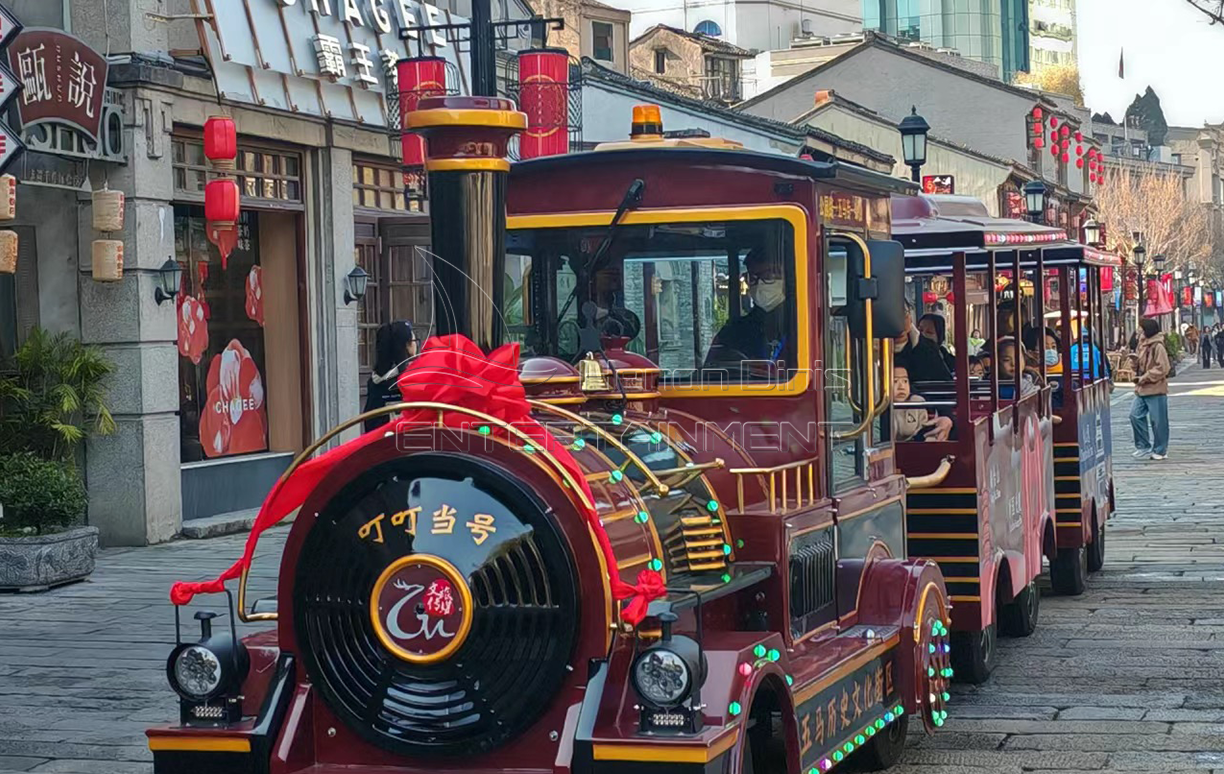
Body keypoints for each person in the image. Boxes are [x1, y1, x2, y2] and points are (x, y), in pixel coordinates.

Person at [705, 249, 788, 368]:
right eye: (753, 278)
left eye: (769, 276)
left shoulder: (807, 326)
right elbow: (710, 373)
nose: (760, 284)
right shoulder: (733, 332)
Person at [363, 320, 418, 432]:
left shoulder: (375, 381)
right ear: (406, 346)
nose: (416, 344)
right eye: (413, 341)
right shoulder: (411, 379)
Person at [1131, 317, 1170, 460]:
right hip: (1141, 389)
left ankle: (1160, 450)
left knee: (1158, 421)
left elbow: (1163, 367)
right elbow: (1140, 365)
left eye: (1141, 328)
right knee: (1135, 415)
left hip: (1156, 388)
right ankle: (1143, 446)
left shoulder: (1158, 346)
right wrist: (1134, 362)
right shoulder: (1142, 345)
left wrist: (1146, 376)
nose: (1139, 331)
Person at [894, 301, 953, 386]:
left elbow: (945, 386)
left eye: (903, 314)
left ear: (910, 318)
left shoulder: (929, 350)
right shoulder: (873, 348)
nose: (898, 321)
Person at [892, 365, 953, 442]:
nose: (901, 387)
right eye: (895, 381)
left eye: (905, 381)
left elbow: (923, 429)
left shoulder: (917, 402)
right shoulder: (879, 406)